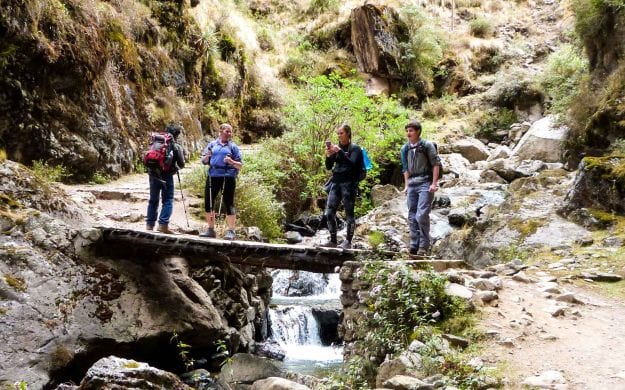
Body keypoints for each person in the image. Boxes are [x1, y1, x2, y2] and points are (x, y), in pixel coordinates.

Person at [400, 120, 441, 257]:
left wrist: (434, 183)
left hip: (425, 182)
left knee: (422, 214)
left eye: (411, 131)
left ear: (418, 131)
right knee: (411, 215)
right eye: (407, 131)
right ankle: (414, 244)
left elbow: (435, 164)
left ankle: (424, 245)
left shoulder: (427, 145)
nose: (408, 133)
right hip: (412, 183)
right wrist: (406, 185)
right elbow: (405, 168)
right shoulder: (404, 149)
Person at [199, 123, 243, 240]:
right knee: (209, 202)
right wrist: (207, 157)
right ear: (221, 131)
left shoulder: (233, 147)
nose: (229, 133)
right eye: (227, 131)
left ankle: (231, 231)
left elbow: (240, 165)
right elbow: (203, 161)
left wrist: (231, 162)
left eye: (230, 132)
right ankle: (210, 230)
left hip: (228, 177)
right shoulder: (212, 145)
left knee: (228, 203)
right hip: (213, 176)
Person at [322, 124, 363, 249]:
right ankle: (333, 240)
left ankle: (348, 242)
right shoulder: (336, 148)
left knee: (349, 213)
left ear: (348, 134)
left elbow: (352, 164)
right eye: (338, 134)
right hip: (336, 182)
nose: (339, 136)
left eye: (341, 133)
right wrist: (329, 155)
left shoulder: (355, 149)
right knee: (329, 212)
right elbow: (329, 166)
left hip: (349, 184)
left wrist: (340, 152)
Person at [146, 123, 186, 234]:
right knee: (167, 200)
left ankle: (149, 225)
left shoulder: (156, 142)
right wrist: (174, 169)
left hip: (153, 173)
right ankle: (163, 225)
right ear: (177, 134)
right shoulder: (175, 145)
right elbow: (182, 163)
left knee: (153, 199)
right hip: (166, 175)